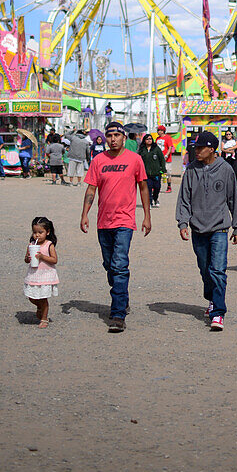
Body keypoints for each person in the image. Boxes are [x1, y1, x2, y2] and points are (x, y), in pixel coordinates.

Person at [81, 122, 151, 332]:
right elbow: (91, 189)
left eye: (116, 135)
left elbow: (143, 187)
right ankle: (123, 296)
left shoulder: (134, 159)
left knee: (120, 265)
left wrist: (147, 216)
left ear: (123, 137)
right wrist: (85, 214)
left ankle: (118, 314)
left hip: (125, 221)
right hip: (104, 222)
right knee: (109, 265)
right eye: (109, 135)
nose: (112, 139)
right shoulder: (98, 160)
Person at [176, 131, 237, 330]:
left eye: (200, 148)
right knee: (205, 269)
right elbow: (184, 198)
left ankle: (218, 312)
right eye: (195, 147)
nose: (196, 151)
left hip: (220, 228)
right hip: (198, 228)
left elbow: (233, 199)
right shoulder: (191, 170)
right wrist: (183, 222)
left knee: (218, 270)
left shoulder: (226, 169)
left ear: (211, 149)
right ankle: (212, 298)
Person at [23, 216, 59, 327]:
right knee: (31, 296)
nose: (37, 235)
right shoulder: (31, 245)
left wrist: (42, 257)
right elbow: (26, 259)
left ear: (47, 232)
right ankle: (39, 307)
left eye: (40, 232)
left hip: (45, 274)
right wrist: (28, 258)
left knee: (43, 298)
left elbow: (54, 260)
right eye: (34, 232)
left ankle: (44, 318)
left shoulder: (49, 245)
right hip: (34, 274)